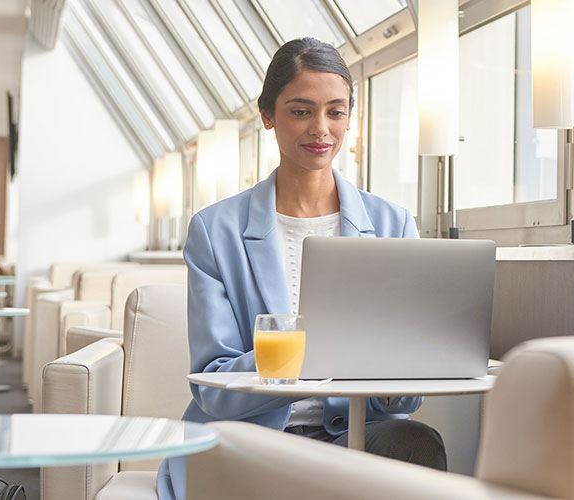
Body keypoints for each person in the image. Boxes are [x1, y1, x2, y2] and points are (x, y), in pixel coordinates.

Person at [157, 37, 445, 500]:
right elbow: (215, 386)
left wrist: (409, 368)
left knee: (414, 443)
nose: (321, 129)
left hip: (352, 437)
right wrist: (310, 355)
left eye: (336, 111)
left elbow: (405, 399)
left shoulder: (393, 223)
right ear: (268, 116)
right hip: (252, 438)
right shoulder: (215, 230)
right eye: (300, 111)